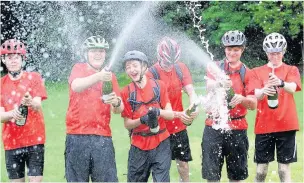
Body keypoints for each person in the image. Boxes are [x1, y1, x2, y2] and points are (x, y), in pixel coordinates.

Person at [65, 35, 123, 182]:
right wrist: (99, 76)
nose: (98, 54)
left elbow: (118, 109)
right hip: (77, 135)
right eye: (94, 51)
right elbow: (76, 86)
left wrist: (116, 102)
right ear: (86, 54)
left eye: (102, 51)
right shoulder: (78, 68)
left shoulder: (111, 77)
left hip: (102, 137)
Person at [202, 30, 257, 182]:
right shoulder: (215, 67)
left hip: (237, 128)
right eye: (229, 49)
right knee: (212, 176)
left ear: (242, 49)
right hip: (214, 125)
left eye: (236, 50)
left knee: (236, 177)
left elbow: (253, 104)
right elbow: (208, 86)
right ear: (224, 48)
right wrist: (219, 82)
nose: (232, 53)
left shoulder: (248, 73)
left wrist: (242, 99)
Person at [146, 37, 199, 182]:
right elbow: (154, 107)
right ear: (159, 56)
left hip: (179, 126)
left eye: (172, 63)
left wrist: (194, 106)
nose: (170, 66)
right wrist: (178, 114)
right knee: (161, 166)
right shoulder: (151, 74)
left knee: (183, 163)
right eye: (167, 63)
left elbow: (191, 91)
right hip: (160, 127)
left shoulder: (180, 68)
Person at [252, 32, 302, 182]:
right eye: (271, 53)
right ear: (266, 53)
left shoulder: (291, 69)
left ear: (284, 52)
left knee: (283, 169)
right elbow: (254, 94)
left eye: (278, 53)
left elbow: (293, 87)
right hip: (264, 126)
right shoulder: (256, 72)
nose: (275, 56)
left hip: (286, 124)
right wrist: (264, 90)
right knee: (261, 170)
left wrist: (280, 82)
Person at [120, 50, 174, 182]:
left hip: (161, 142)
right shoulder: (126, 92)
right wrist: (141, 120)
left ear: (144, 67)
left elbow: (170, 115)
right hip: (138, 146)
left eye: (135, 65)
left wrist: (158, 112)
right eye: (128, 67)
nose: (131, 70)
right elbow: (127, 124)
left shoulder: (158, 86)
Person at [0, 38, 48, 182]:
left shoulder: (34, 78)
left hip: (34, 140)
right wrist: (12, 114)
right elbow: (1, 116)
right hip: (12, 142)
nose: (13, 61)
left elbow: (38, 104)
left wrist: (30, 102)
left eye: (16, 57)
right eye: (9, 57)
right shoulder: (1, 84)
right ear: (3, 60)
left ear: (23, 59)